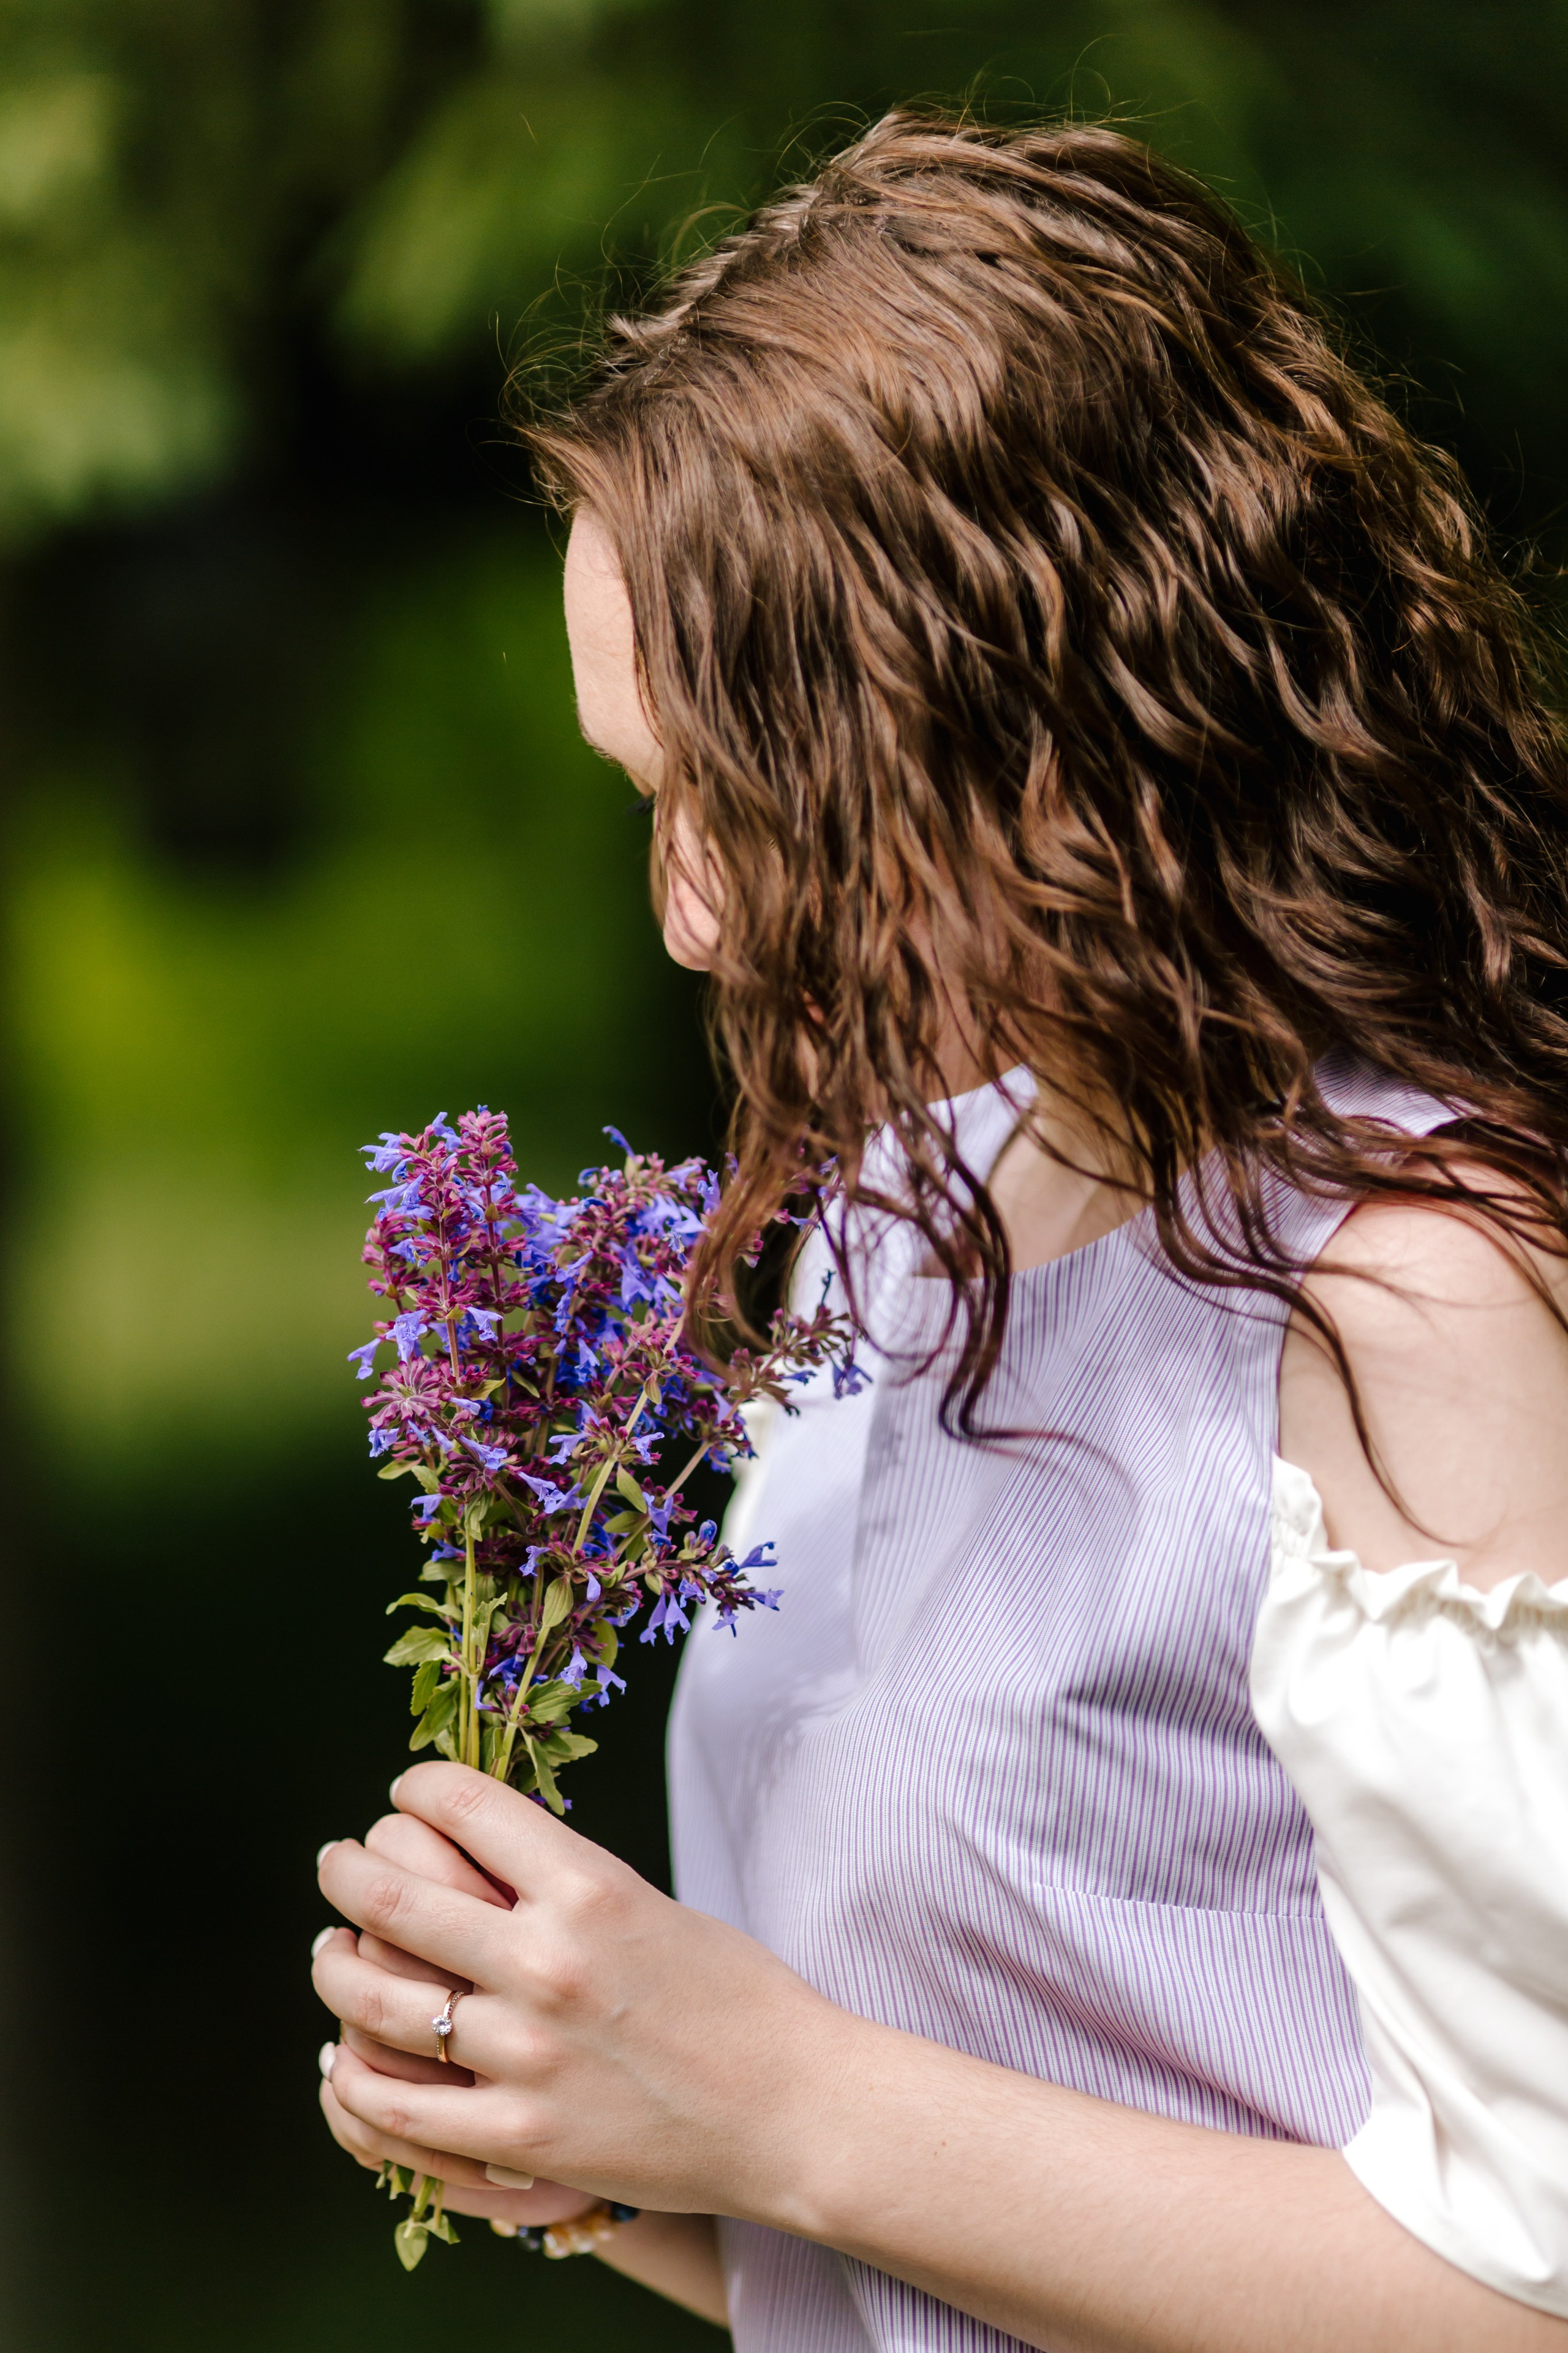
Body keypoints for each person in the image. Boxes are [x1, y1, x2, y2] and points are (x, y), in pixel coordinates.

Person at [307, 111, 1568, 2349]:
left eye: (741, 798)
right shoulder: (920, 1194)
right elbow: (951, 2219)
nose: (689, 917)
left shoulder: (1423, 1285)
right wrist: (582, 2139)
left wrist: (768, 2097)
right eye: (647, 796)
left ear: (1041, 722)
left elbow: (1528, 2291)